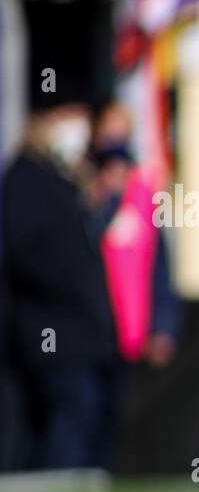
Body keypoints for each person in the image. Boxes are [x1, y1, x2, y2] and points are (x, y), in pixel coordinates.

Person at [1, 100, 119, 470]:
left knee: (86, 413)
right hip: (48, 328)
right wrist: (69, 284)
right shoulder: (25, 177)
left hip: (80, 330)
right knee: (69, 411)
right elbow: (24, 251)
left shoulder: (69, 180)